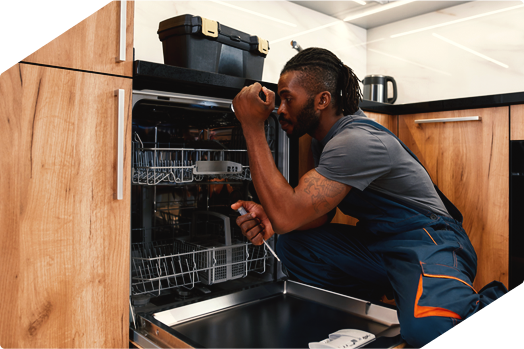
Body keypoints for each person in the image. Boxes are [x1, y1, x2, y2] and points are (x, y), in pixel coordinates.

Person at [230, 47, 521, 349]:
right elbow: (316, 213)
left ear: (322, 100)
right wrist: (274, 219)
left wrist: (252, 125)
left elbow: (289, 213)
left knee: (438, 335)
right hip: (380, 244)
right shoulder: (325, 140)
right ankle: (379, 313)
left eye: (288, 98)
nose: (280, 109)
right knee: (295, 245)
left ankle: (503, 311)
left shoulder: (355, 141)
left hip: (429, 241)